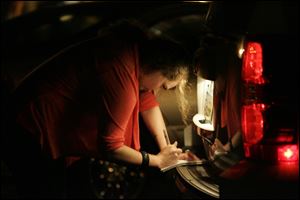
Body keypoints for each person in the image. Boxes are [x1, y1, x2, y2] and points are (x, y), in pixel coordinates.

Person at [2, 19, 192, 198]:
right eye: (163, 85)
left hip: (43, 125)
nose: (157, 92)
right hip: (29, 126)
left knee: (73, 188)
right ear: (158, 68)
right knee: (47, 192)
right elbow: (111, 146)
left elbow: (148, 103)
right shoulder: (120, 71)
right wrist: (157, 160)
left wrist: (167, 150)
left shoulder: (134, 56)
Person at [193, 37, 244, 160]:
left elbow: (245, 128)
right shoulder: (217, 83)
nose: (210, 89)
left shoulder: (235, 85)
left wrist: (225, 148)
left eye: (212, 84)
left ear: (221, 74)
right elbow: (212, 104)